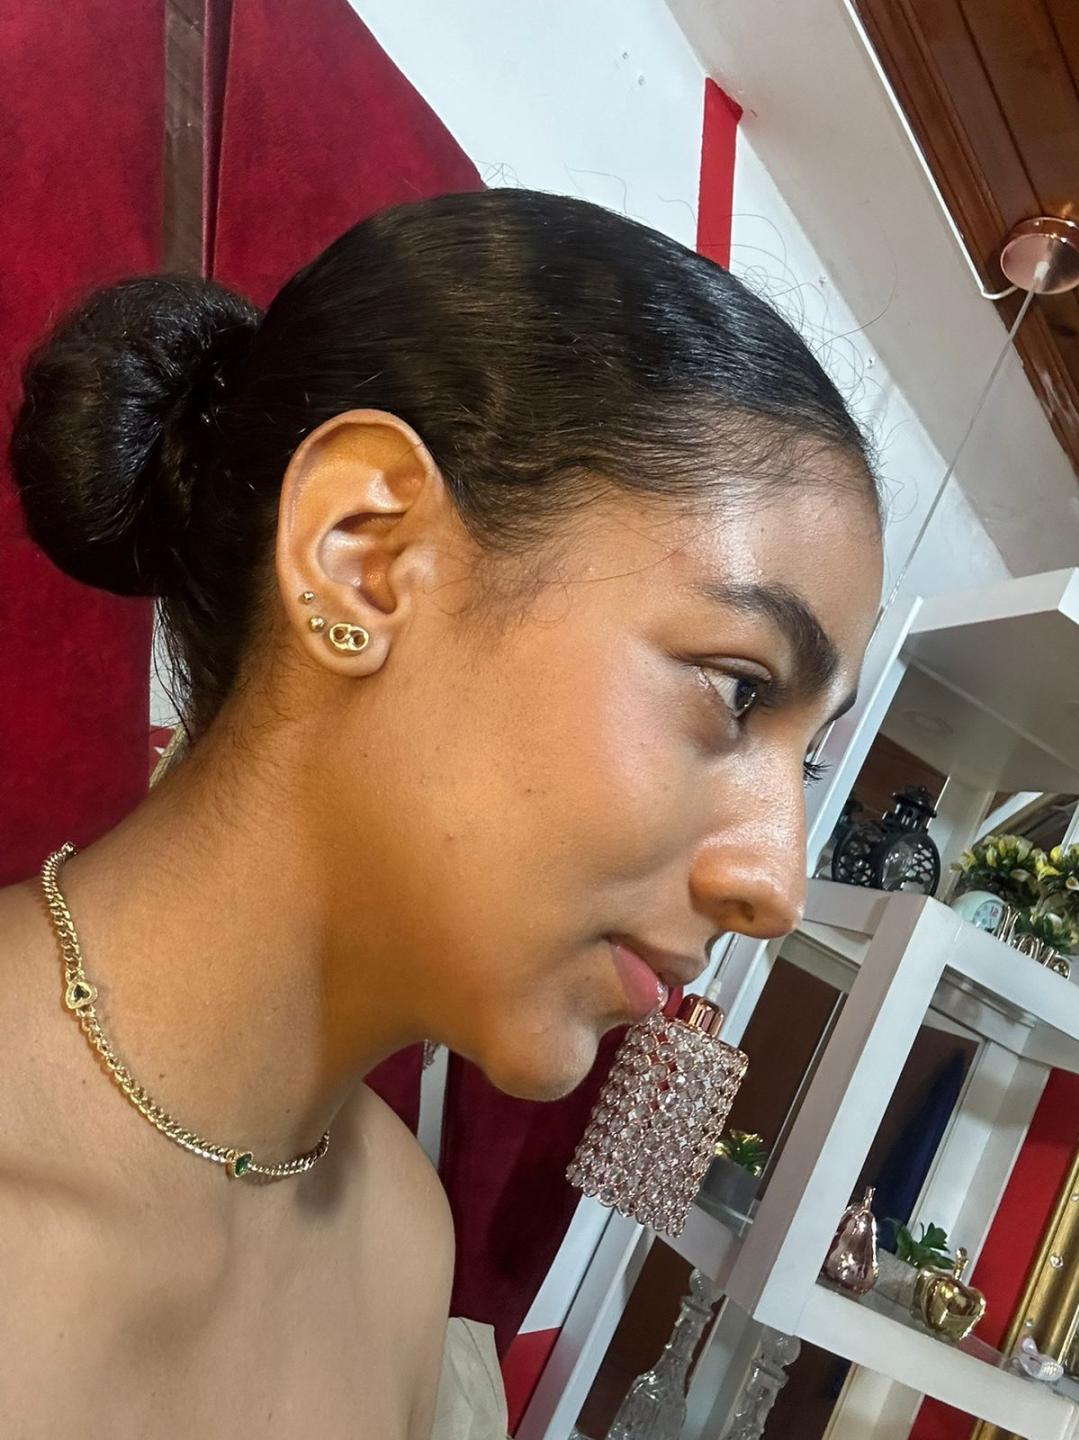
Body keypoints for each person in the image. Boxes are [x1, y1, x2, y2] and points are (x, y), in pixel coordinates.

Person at [0, 188, 883, 1438]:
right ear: (364, 554)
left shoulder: (404, 1245)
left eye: (807, 765)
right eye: (739, 691)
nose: (776, 886)